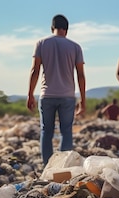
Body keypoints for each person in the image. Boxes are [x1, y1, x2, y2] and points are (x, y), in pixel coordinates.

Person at [27, 14, 86, 165]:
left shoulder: (41, 43)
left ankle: (48, 167)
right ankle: (63, 167)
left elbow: (35, 71)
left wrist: (30, 94)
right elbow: (80, 75)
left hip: (47, 95)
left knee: (46, 132)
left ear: (52, 28)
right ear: (67, 30)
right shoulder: (75, 47)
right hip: (67, 95)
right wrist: (83, 100)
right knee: (66, 131)